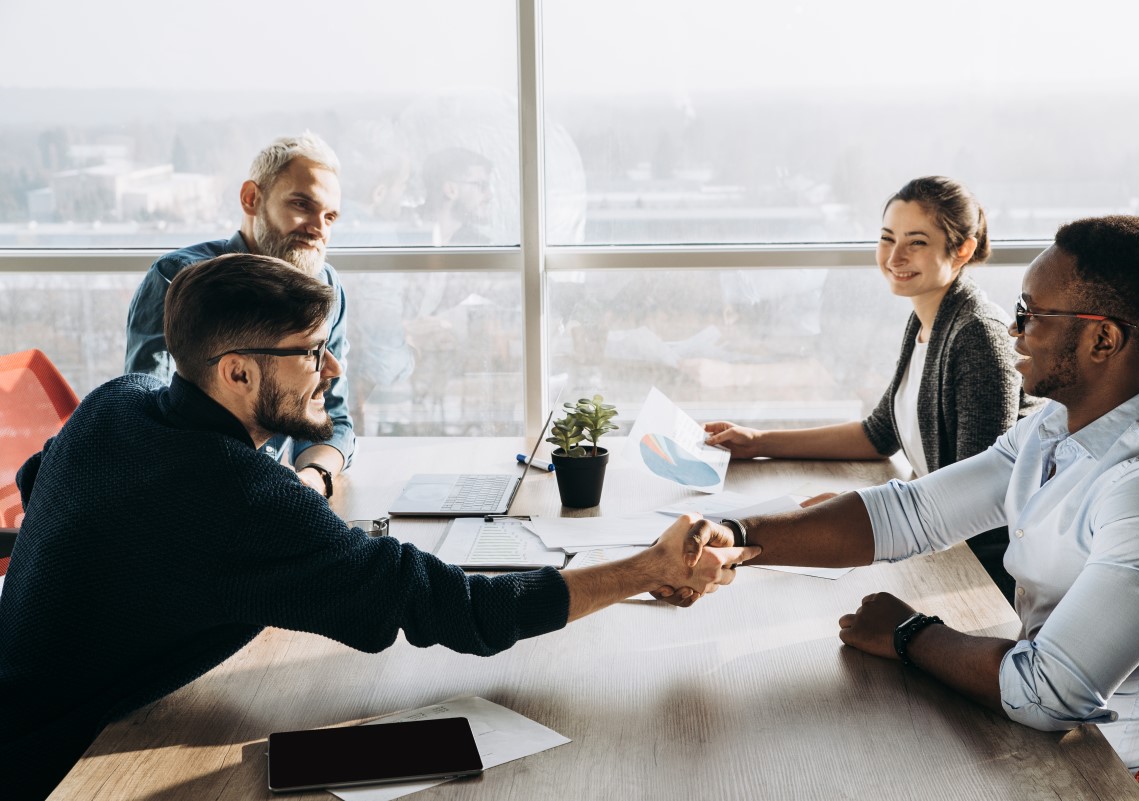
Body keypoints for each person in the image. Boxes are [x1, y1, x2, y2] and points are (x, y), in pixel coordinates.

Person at [0, 252, 757, 801]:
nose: (329, 371)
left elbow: (40, 483)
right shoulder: (241, 495)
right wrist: (644, 568)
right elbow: (458, 610)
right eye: (309, 352)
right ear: (235, 371)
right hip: (55, 763)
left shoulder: (119, 400)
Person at [684, 215, 1139, 771]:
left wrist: (910, 634)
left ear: (1103, 338)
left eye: (1031, 314)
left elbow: (1048, 694)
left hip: (1105, 767)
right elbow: (911, 513)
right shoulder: (1054, 426)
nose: (1013, 330)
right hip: (1027, 723)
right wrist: (735, 537)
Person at [705, 176, 1030, 601]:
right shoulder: (926, 317)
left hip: (980, 571)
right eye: (887, 238)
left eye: (916, 242)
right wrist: (758, 441)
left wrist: (856, 506)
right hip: (934, 542)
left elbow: (975, 496)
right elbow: (879, 435)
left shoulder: (977, 335)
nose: (895, 256)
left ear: (963, 249)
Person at [125, 131, 374, 499]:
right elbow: (153, 415)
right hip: (198, 492)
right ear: (251, 198)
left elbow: (331, 413)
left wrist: (313, 476)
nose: (319, 229)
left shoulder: (325, 285)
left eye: (330, 216)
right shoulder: (180, 279)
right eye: (302, 205)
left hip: (275, 492)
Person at [421, 146, 494, 246]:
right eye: (482, 185)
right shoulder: (401, 235)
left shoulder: (479, 246)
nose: (490, 195)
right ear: (450, 190)